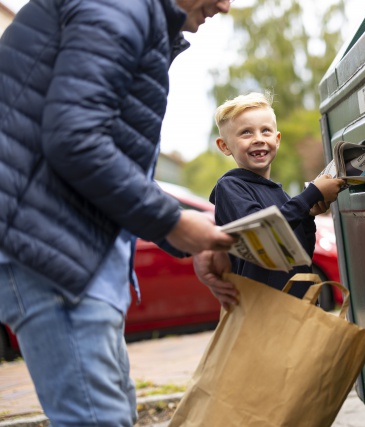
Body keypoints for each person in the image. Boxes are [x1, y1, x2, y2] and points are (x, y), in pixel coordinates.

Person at [0, 0, 236, 425]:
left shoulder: (131, 14)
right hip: (50, 249)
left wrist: (184, 235)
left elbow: (107, 155)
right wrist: (173, 223)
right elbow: (74, 139)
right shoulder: (119, 6)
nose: (225, 4)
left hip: (63, 248)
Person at [209, 92, 345, 300]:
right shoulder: (230, 188)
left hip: (297, 309)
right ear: (225, 146)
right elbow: (262, 236)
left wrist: (308, 215)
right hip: (264, 313)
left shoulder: (280, 194)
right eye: (246, 132)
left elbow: (302, 258)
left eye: (266, 131)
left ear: (277, 139)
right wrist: (312, 194)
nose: (258, 139)